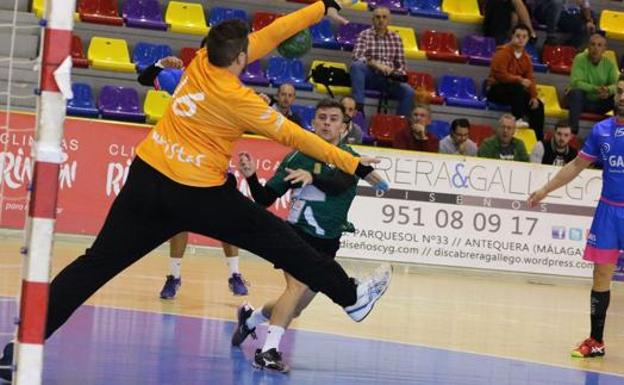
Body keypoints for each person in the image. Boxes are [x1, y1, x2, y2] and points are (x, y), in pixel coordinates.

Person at [0, 2, 393, 382]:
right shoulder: (242, 101)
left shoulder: (202, 59)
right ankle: (350, 296)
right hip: (201, 195)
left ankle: (18, 349)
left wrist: (320, 6)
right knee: (286, 243)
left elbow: (272, 35)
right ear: (241, 57)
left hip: (147, 179)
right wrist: (355, 164)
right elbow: (295, 135)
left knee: (94, 265)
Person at [232, 99, 361, 372]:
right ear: (312, 124)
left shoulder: (350, 160)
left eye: (333, 119)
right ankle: (268, 351)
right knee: (297, 287)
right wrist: (252, 177)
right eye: (322, 117)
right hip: (296, 235)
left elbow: (338, 186)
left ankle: (251, 319)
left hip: (327, 242)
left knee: (296, 306)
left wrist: (313, 179)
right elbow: (266, 198)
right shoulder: (297, 156)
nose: (327, 123)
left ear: (344, 127)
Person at [528, 74, 624, 358]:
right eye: (619, 91)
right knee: (600, 275)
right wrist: (546, 189)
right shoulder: (602, 130)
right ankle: (596, 341)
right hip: (608, 211)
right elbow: (576, 165)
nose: (622, 97)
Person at [138, 55, 250, 298]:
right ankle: (174, 277)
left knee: (227, 222)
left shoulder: (230, 89)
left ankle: (235, 274)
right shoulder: (183, 80)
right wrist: (159, 65)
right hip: (182, 165)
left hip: (211, 166)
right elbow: (144, 78)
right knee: (177, 222)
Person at [350, 6, 414, 117]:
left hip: (388, 80)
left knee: (408, 91)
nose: (381, 20)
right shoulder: (364, 35)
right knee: (356, 66)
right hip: (369, 76)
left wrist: (393, 73)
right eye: (377, 17)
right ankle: (359, 108)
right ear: (373, 20)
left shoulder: (396, 38)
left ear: (389, 20)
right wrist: (375, 64)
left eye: (384, 17)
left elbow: (401, 66)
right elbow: (357, 56)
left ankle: (400, 123)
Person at [486, 24, 545, 140]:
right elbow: (500, 75)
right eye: (518, 36)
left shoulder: (526, 58)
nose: (521, 39)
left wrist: (533, 96)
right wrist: (519, 79)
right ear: (511, 36)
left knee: (538, 105)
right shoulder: (502, 52)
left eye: (524, 37)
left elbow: (530, 78)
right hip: (496, 89)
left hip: (513, 93)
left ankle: (537, 138)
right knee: (517, 86)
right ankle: (517, 118)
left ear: (528, 39)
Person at [566, 33, 619, 134]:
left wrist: (608, 90)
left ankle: (618, 133)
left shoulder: (609, 64)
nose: (596, 48)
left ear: (604, 49)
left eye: (599, 45)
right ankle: (572, 132)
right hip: (582, 102)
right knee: (576, 92)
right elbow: (576, 82)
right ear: (588, 47)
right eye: (593, 44)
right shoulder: (580, 58)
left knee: (619, 97)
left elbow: (618, 84)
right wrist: (596, 89)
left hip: (600, 102)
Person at [529, 0, 595, 47]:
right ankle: (550, 36)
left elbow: (585, 5)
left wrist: (588, 21)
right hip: (543, 10)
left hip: (563, 15)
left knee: (589, 20)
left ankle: (566, 48)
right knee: (557, 2)